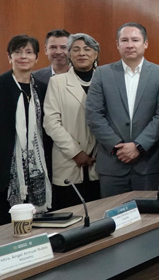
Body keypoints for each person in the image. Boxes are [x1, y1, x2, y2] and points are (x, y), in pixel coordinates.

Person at [86, 22, 159, 198]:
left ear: (145, 44)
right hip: (112, 163)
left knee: (149, 213)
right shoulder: (102, 73)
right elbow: (93, 114)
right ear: (117, 44)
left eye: (135, 40)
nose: (130, 45)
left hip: (148, 164)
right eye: (124, 40)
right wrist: (117, 146)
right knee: (112, 213)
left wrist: (139, 146)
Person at [43, 33, 101, 210]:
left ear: (96, 54)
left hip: (100, 161)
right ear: (69, 54)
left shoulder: (106, 80)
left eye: (87, 49)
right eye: (76, 49)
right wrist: (76, 152)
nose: (81, 53)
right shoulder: (57, 82)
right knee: (72, 215)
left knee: (100, 214)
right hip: (68, 160)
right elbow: (51, 122)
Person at [0, 35, 51, 224]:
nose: (23, 56)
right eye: (18, 52)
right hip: (6, 166)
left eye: (29, 52)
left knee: (37, 224)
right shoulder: (2, 85)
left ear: (36, 58)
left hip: (37, 165)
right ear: (9, 57)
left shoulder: (42, 88)